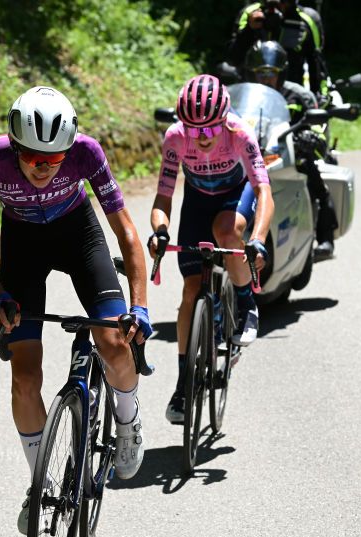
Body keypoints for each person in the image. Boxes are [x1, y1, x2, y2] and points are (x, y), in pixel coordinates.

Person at [0, 86, 151, 534]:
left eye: (54, 159)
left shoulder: (86, 153)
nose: (43, 168)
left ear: (69, 150)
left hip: (78, 235)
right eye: (32, 158)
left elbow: (126, 233)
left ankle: (128, 419)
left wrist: (139, 307)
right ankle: (40, 484)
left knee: (113, 340)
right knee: (25, 378)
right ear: (15, 147)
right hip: (23, 243)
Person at [149, 74, 274, 424]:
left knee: (227, 230)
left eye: (209, 130)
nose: (202, 138)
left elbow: (263, 191)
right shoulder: (175, 139)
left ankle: (245, 302)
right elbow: (163, 196)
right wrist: (160, 231)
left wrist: (258, 238)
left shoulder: (238, 134)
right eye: (194, 130)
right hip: (197, 201)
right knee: (191, 290)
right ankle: (184, 382)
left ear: (224, 121)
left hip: (236, 195)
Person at [245, 40, 337, 260]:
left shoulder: (299, 96)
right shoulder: (246, 95)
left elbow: (319, 130)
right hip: (252, 157)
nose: (265, 78)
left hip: (290, 155)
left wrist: (309, 138)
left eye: (271, 73)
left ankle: (325, 239)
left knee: (316, 182)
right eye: (260, 73)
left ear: (281, 73)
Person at [225, 0, 326, 97]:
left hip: (290, 98)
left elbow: (316, 63)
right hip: (251, 97)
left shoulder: (308, 18)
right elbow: (233, 59)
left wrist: (320, 98)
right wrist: (249, 29)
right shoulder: (249, 14)